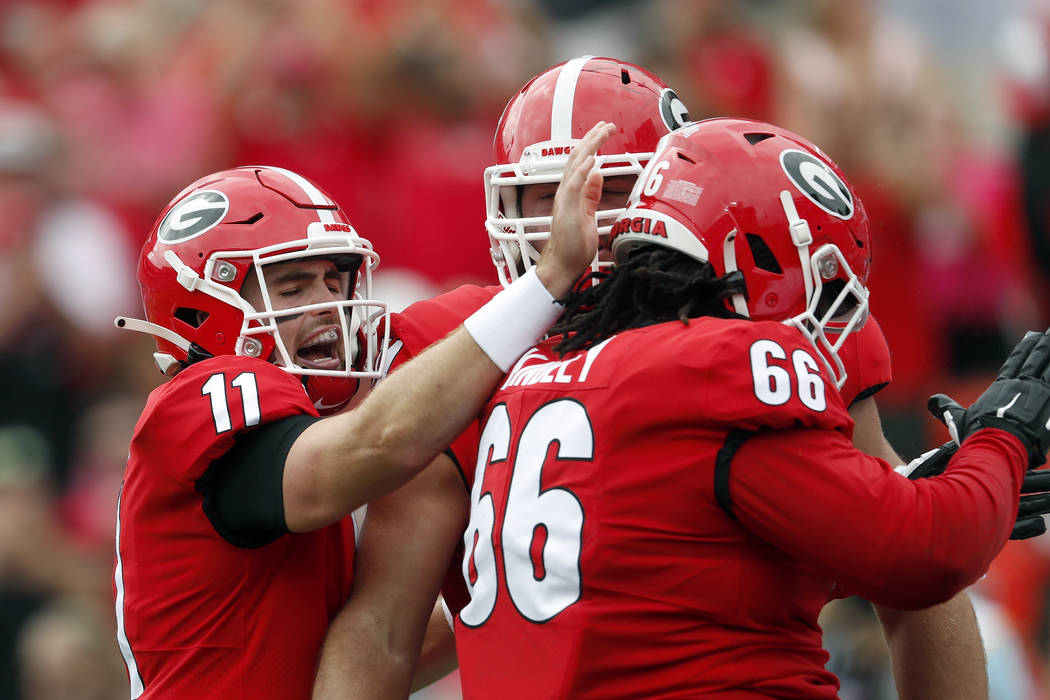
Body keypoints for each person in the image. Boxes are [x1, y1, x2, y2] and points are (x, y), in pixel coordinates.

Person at [312, 57, 1013, 699]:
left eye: (612, 186)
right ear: (502, 209)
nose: (576, 220)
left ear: (675, 189)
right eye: (542, 195)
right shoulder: (458, 355)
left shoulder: (769, 321)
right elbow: (399, 627)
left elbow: (910, 576)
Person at [110, 149, 609, 700]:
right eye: (294, 288)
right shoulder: (197, 401)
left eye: (332, 280)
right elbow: (379, 443)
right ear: (203, 309)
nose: (328, 305)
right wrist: (545, 283)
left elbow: (375, 645)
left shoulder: (294, 424)